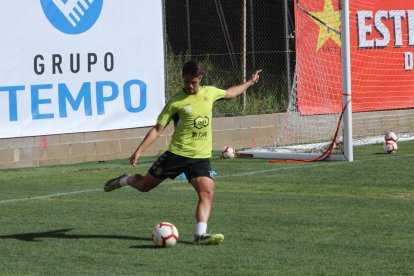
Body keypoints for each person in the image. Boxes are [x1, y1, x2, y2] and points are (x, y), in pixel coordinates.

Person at [104, 60, 261, 245]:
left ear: (200, 79)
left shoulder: (209, 93)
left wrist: (250, 82)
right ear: (182, 79)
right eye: (186, 82)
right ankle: (125, 179)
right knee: (144, 186)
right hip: (176, 155)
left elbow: (231, 93)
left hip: (200, 158)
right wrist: (139, 150)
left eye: (194, 82)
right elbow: (157, 129)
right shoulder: (175, 102)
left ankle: (200, 235)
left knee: (207, 191)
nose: (190, 86)